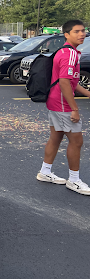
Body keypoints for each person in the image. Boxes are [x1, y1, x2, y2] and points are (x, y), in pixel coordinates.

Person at [37, 20, 90, 195]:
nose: (82, 34)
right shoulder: (70, 54)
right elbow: (64, 82)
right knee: (76, 141)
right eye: (77, 31)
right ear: (66, 34)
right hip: (62, 105)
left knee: (56, 137)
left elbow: (72, 81)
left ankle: (45, 172)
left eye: (83, 31)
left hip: (55, 102)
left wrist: (88, 93)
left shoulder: (67, 52)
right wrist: (74, 108)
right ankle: (74, 180)